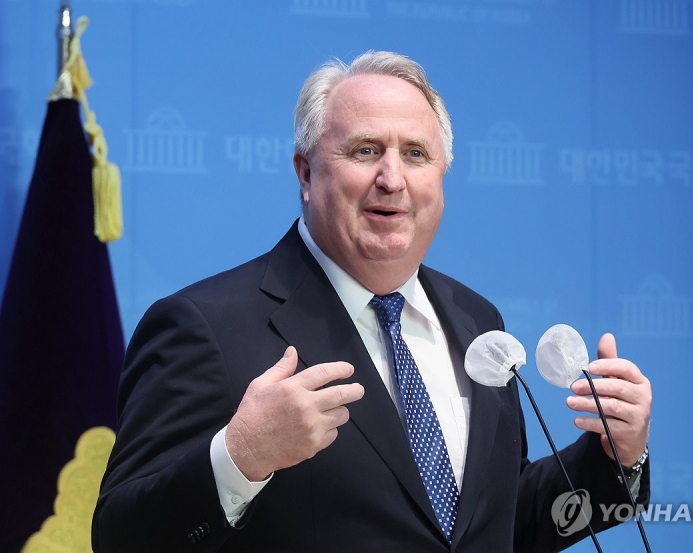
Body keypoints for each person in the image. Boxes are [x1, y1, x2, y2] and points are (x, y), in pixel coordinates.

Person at [92, 51, 651, 552]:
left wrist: (614, 460)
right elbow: (120, 538)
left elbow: (496, 525)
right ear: (306, 173)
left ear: (442, 176)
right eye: (365, 151)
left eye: (416, 154)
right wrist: (240, 458)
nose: (392, 178)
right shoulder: (206, 326)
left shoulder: (477, 320)